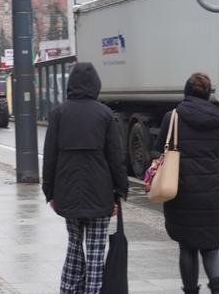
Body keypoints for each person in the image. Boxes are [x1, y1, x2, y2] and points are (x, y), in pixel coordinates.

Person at [42, 62, 129, 294]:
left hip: (67, 193)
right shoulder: (105, 114)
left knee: (73, 246)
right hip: (100, 196)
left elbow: (49, 156)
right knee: (96, 251)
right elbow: (115, 157)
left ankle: (69, 290)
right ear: (96, 85)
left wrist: (49, 192)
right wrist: (120, 192)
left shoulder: (59, 113)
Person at [155, 73, 219, 294]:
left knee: (187, 246)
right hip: (213, 195)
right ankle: (218, 289)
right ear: (208, 94)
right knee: (213, 247)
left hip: (182, 193)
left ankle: (191, 291)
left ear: (186, 92)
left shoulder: (172, 117)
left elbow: (159, 149)